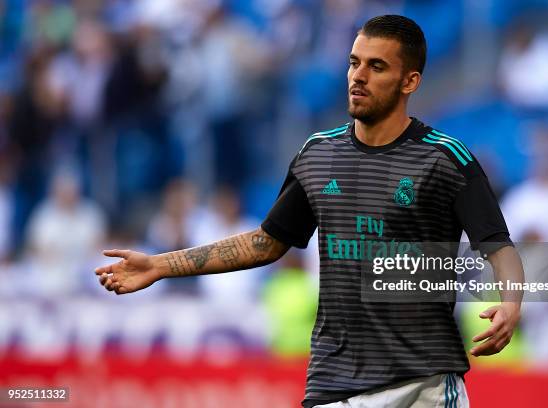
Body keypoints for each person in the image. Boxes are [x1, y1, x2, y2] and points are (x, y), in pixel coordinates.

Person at [95, 15, 524, 408]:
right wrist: (159, 265)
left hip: (421, 385)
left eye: (377, 67)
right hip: (332, 385)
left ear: (409, 81)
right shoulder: (318, 154)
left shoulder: (444, 159)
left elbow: (498, 246)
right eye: (354, 63)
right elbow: (266, 243)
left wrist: (510, 303)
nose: (358, 76)